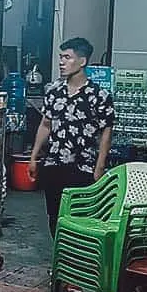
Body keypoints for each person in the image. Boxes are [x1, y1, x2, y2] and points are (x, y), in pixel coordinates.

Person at [28, 37, 115, 236]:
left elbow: (106, 133)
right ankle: (60, 261)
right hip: (54, 164)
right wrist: (34, 157)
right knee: (54, 217)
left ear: (82, 61)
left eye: (67, 57)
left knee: (79, 219)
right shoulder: (53, 91)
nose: (61, 62)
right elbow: (45, 124)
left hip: (83, 166)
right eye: (61, 57)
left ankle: (77, 262)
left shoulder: (99, 95)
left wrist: (99, 167)